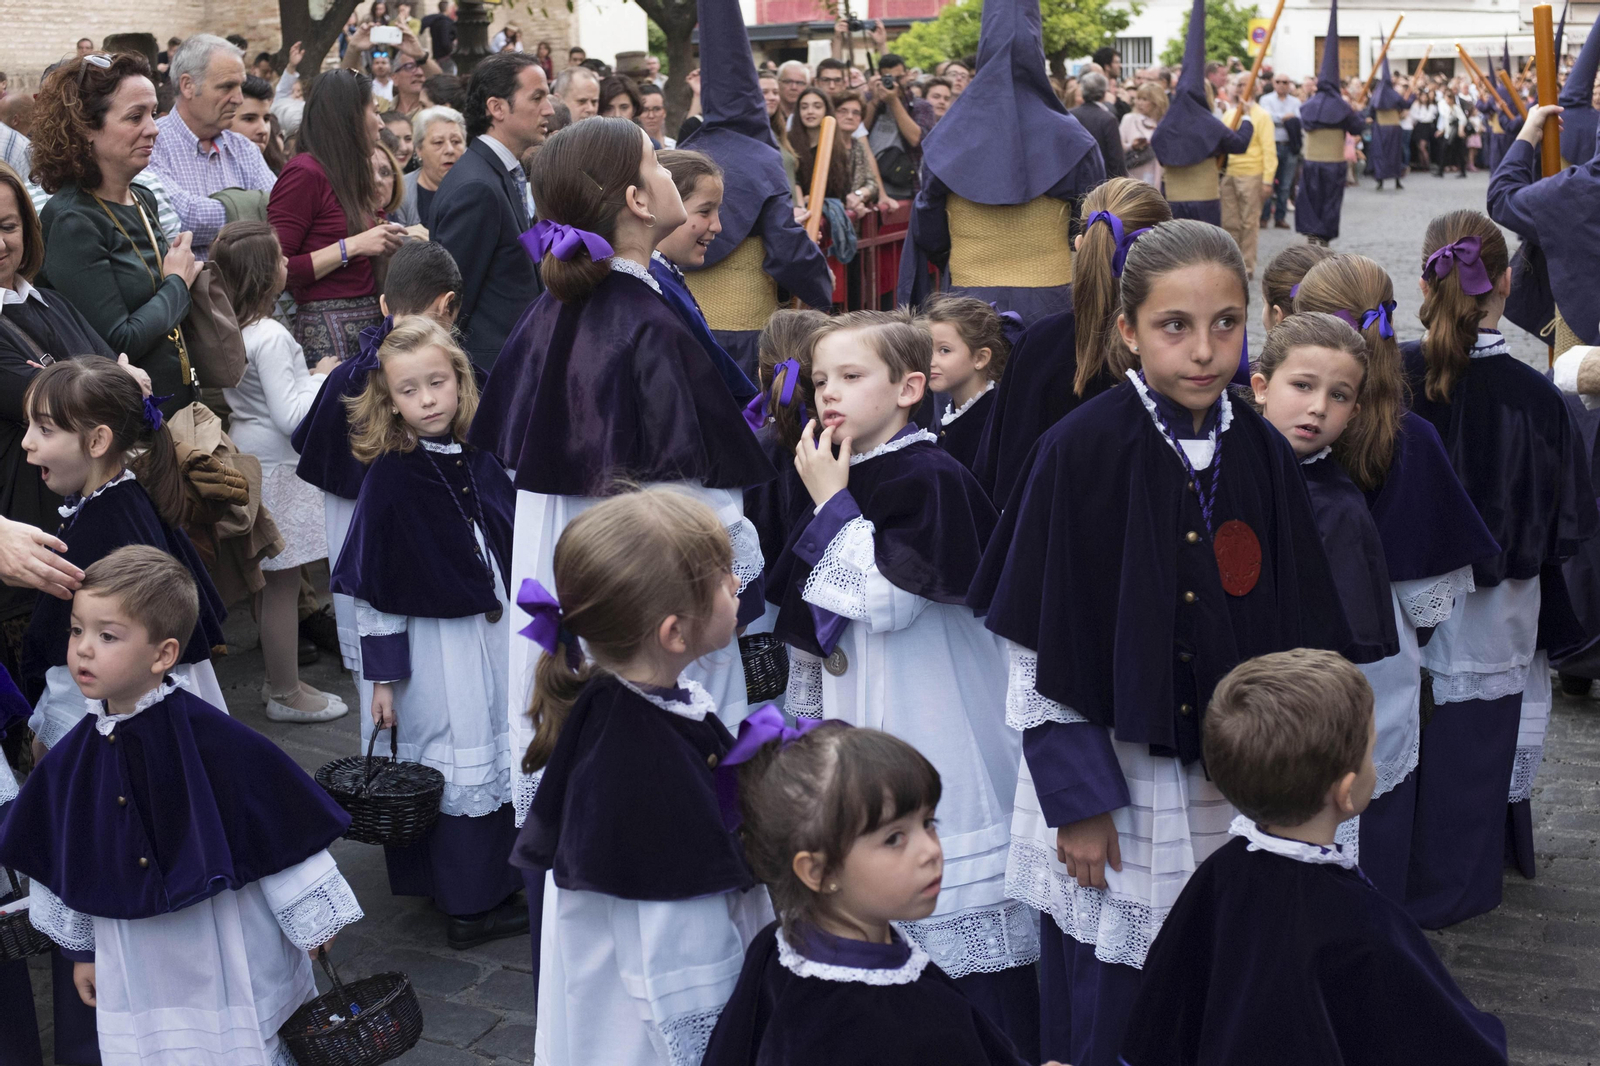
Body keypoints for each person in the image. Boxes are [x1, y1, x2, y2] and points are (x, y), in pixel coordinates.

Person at [969, 219, 1350, 1066]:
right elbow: (1035, 647)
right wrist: (1078, 800)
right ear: (1128, 331)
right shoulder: (1079, 451)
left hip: (1235, 779)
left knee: (1225, 978)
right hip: (1118, 782)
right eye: (1175, 327)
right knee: (1121, 994)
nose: (1205, 350)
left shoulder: (1260, 447)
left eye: (1226, 324)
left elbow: (1300, 636)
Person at [470, 118, 775, 839]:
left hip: (588, 568)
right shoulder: (636, 317)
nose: (671, 175)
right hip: (649, 587)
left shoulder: (575, 304)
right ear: (638, 200)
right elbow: (692, 493)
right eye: (656, 167)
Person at [769, 311, 1038, 1055]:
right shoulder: (838, 464)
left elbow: (888, 599)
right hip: (869, 707)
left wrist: (832, 503)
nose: (829, 395)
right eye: (822, 379)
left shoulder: (929, 474)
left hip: (933, 710)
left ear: (909, 387)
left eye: (852, 378)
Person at [0, 544, 363, 1066]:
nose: (82, 649)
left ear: (163, 654)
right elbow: (66, 858)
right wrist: (83, 952)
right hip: (134, 959)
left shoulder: (214, 741)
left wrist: (312, 922)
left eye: (107, 636)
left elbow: (279, 830)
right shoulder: (71, 761)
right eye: (77, 630)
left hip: (220, 945)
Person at [1120, 649, 1510, 1066]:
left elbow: (1163, 1013)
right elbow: (1439, 1033)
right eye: (1370, 751)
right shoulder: (1362, 920)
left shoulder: (1219, 873)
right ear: (1345, 792)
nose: (1374, 763)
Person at [507, 489, 772, 1066]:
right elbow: (677, 948)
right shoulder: (641, 764)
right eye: (724, 577)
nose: (736, 585)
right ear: (675, 634)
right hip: (642, 1034)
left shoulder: (634, 706)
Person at [1401, 209, 1597, 928]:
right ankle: (1469, 871)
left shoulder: (1392, 374)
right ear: (1505, 283)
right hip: (1499, 608)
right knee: (1477, 745)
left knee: (1406, 741)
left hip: (1398, 602)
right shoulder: (1537, 398)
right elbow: (1566, 522)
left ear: (1427, 277)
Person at [1288, 258, 1499, 902]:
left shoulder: (1262, 429)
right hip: (1379, 677)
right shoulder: (1413, 441)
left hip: (1278, 672)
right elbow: (1429, 597)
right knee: (1370, 844)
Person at [328, 316, 525, 948]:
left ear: (460, 380)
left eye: (437, 383)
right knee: (456, 750)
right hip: (438, 653)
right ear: (389, 400)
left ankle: (503, 876)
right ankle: (467, 901)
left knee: (498, 741)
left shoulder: (481, 455)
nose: (428, 400)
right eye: (410, 391)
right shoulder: (390, 475)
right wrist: (383, 680)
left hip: (493, 640)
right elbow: (376, 589)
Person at [702, 723, 1041, 1065]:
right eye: (894, 838)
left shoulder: (780, 949)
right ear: (820, 872)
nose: (930, 851)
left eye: (928, 823)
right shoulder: (879, 1020)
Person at [291, 240, 459, 727]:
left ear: (385, 305)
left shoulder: (345, 377)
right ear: (447, 308)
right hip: (406, 563)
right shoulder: (442, 380)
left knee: (382, 681)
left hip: (358, 557)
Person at [211, 220, 348, 723]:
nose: (288, 263)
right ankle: (285, 692)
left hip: (255, 456)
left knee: (274, 584)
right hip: (277, 467)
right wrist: (323, 379)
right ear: (263, 275)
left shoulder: (236, 331)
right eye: (280, 259)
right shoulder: (269, 336)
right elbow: (291, 416)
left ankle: (281, 677)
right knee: (283, 584)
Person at [970, 177, 1170, 505]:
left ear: (1080, 243)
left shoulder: (1040, 343)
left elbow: (999, 465)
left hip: (1043, 537)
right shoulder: (1172, 352)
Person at [904, 0, 1103, 324]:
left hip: (968, 300)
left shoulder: (948, 135)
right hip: (1050, 299)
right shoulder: (1073, 139)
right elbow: (1088, 225)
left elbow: (931, 230)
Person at [0, 162, 123, 679]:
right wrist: (106, 378)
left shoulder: (51, 302)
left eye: (7, 226)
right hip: (23, 541)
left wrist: (110, 380)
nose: (0, 242)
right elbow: (73, 398)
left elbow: (115, 391)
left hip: (90, 520)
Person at [32, 53, 203, 415]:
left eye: (154, 113)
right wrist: (178, 283)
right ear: (85, 129)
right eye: (134, 116)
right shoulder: (71, 220)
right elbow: (116, 342)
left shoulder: (143, 198)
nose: (153, 128)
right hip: (125, 420)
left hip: (181, 406)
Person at [678, 0, 832, 380]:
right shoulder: (763, 159)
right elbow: (786, 250)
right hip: (746, 336)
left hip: (680, 327)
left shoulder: (680, 154)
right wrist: (821, 287)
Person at [268, 69, 406, 366]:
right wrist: (353, 246)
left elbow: (373, 233)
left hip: (370, 322)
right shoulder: (304, 172)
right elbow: (276, 268)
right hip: (326, 334)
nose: (381, 124)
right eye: (375, 112)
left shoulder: (352, 172)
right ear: (350, 117)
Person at [431, 52, 552, 371]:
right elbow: (452, 303)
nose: (549, 109)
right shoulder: (477, 187)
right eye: (537, 97)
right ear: (497, 107)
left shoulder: (500, 172)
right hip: (490, 375)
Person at [149, 35, 277, 260]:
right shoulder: (152, 144)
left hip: (252, 292)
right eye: (227, 86)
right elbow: (179, 221)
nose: (238, 98)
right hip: (187, 293)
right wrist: (255, 209)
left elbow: (281, 212)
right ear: (188, 86)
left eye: (240, 86)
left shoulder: (243, 148)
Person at [654, 150, 759, 405]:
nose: (717, 225)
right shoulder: (653, 282)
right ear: (666, 207)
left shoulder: (662, 273)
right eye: (704, 211)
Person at [1151, 0, 1254, 225]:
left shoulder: (1167, 123)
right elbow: (1239, 144)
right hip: (1205, 202)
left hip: (1174, 203)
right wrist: (1246, 117)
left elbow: (1158, 146)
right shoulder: (1208, 122)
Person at [1297, 0, 1367, 242]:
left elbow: (1305, 123)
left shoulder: (1307, 106)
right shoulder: (1342, 107)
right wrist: (1357, 112)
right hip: (1333, 164)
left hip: (1312, 162)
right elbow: (1357, 127)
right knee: (1329, 202)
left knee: (1310, 200)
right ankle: (1323, 239)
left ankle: (1310, 237)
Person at [923, 294, 1008, 472]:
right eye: (927, 349)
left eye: (944, 350)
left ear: (980, 358)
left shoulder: (993, 419)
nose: (930, 361)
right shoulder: (956, 410)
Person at [1219, 72, 1276, 277]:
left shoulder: (1261, 115)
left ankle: (1248, 265)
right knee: (1229, 222)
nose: (1240, 88)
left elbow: (1269, 150)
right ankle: (1231, 262)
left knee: (1249, 222)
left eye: (1244, 84)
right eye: (1237, 84)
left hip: (1252, 173)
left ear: (1254, 87)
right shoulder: (1229, 114)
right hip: (1229, 173)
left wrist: (1267, 180)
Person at [400, 105, 463, 230]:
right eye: (438, 142)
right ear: (419, 149)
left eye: (456, 141)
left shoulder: (478, 189)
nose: (450, 150)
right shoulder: (400, 192)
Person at [791, 88, 852, 210]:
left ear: (826, 111)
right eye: (804, 107)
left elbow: (843, 191)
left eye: (817, 106)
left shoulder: (838, 148)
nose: (810, 111)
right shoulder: (788, 142)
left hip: (828, 212)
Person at [832, 92, 890, 211]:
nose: (849, 116)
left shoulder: (858, 146)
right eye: (843, 111)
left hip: (856, 216)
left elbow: (872, 183)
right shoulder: (824, 145)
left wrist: (859, 194)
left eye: (856, 113)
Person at [1258, 71, 1301, 229]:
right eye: (1279, 82)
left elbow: (1298, 120)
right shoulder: (1266, 99)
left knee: (1285, 185)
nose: (1282, 85)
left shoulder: (1295, 101)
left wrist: (1280, 118)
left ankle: (1280, 217)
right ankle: (1264, 216)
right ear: (1274, 83)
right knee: (1268, 181)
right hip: (1271, 145)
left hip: (1289, 145)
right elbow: (1267, 118)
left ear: (1289, 84)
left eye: (1285, 82)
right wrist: (1285, 118)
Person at [1069, 72, 1126, 179]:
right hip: (1101, 182)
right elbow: (1116, 158)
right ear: (1104, 92)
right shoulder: (1108, 119)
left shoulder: (1069, 115)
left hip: (1074, 180)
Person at [1368, 56, 1411, 191]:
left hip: (1381, 128)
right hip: (1392, 128)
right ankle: (1396, 180)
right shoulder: (1394, 94)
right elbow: (1405, 104)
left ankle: (1381, 180)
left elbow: (1370, 111)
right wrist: (1412, 95)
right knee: (1394, 155)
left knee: (1382, 154)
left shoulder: (1376, 95)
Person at [1120, 82, 1165, 189]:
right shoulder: (1129, 119)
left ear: (1156, 102)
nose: (1139, 103)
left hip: (1157, 177)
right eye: (1138, 98)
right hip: (1132, 176)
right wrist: (1133, 145)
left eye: (1144, 99)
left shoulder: (1163, 123)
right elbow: (1118, 147)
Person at [421, 0, 459, 74]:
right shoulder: (445, 22)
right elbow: (445, 42)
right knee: (448, 77)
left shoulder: (434, 21)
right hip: (445, 56)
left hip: (437, 55)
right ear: (447, 9)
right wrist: (451, 50)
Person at [637, 82, 673, 148]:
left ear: (664, 112)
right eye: (645, 110)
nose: (651, 116)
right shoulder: (631, 149)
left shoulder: (675, 147)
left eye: (657, 109)